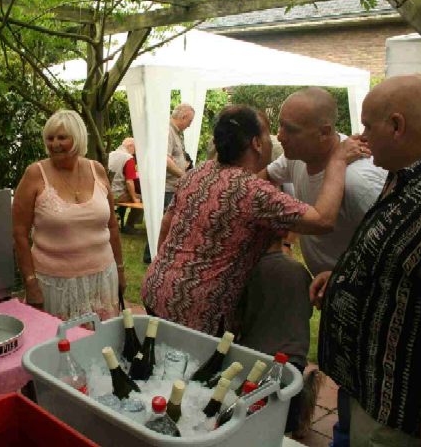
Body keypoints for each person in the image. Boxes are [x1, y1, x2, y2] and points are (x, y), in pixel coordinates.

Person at [312, 75, 421, 447]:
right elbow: (402, 260)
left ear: (396, 126)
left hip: (397, 417)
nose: (361, 137)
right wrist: (342, 275)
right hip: (367, 391)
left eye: (367, 126)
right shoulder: (406, 177)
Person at [141, 104, 350, 336]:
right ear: (256, 143)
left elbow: (166, 224)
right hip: (196, 310)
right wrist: (337, 161)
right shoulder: (255, 193)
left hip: (157, 287)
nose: (275, 139)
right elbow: (322, 220)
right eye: (268, 135)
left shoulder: (199, 173)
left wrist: (166, 273)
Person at [259, 87, 387, 447]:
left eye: (290, 129)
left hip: (366, 295)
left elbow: (389, 246)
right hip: (331, 287)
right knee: (343, 369)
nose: (280, 137)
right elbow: (263, 178)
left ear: (326, 132)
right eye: (280, 127)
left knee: (363, 376)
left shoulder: (359, 181)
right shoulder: (296, 157)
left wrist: (346, 277)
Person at [12, 110, 125, 321]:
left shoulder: (97, 170)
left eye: (62, 137)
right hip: (55, 284)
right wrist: (30, 282)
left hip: (102, 278)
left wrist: (120, 269)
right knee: (60, 338)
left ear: (78, 137)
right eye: (50, 138)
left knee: (101, 339)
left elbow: (112, 226)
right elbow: (19, 233)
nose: (54, 144)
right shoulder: (35, 174)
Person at [236, 235, 312, 436]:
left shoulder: (246, 271)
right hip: (292, 360)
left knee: (250, 421)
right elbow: (307, 310)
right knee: (282, 423)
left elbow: (236, 319)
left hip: (255, 359)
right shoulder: (299, 270)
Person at [143, 103, 195, 263]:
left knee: (166, 223)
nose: (190, 125)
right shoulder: (167, 131)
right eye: (190, 121)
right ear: (183, 116)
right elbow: (164, 159)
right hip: (166, 187)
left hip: (172, 185)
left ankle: (155, 255)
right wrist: (184, 175)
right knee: (164, 223)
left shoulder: (176, 133)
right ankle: (152, 256)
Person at [108, 137, 142, 233]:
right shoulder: (128, 158)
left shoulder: (110, 154)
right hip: (117, 194)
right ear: (130, 146)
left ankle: (119, 218)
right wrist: (134, 198)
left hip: (107, 192)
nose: (135, 152)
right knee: (143, 199)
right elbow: (129, 182)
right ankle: (129, 226)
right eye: (135, 148)